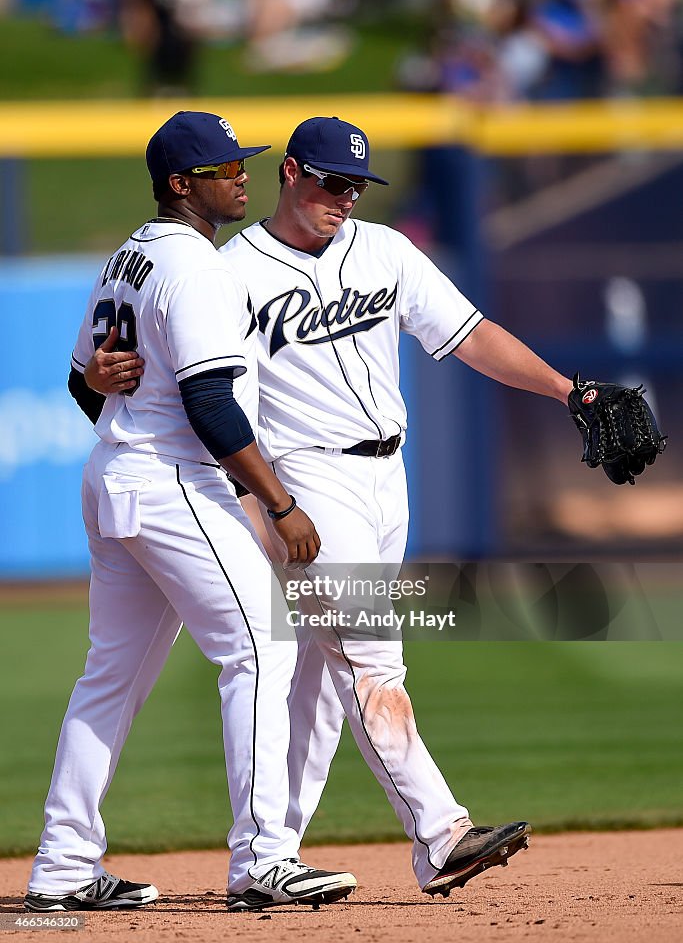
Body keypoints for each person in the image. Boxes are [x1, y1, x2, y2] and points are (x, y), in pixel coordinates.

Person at [86, 116, 573, 898]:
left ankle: (272, 854)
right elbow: (195, 386)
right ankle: (440, 834)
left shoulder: (382, 250)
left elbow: (470, 333)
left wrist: (567, 390)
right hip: (308, 480)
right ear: (289, 172)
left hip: (388, 477)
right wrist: (259, 498)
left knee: (319, 682)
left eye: (355, 185)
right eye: (328, 181)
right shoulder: (229, 268)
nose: (342, 197)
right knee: (371, 658)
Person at [24, 111, 356, 914]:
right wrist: (279, 503)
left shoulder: (128, 256)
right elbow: (210, 404)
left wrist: (105, 386)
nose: (240, 175)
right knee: (258, 650)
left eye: (241, 163)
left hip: (115, 475)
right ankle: (263, 860)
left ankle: (64, 865)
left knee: (109, 677)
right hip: (169, 477)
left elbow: (83, 384)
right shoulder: (195, 269)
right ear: (181, 184)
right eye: (222, 168)